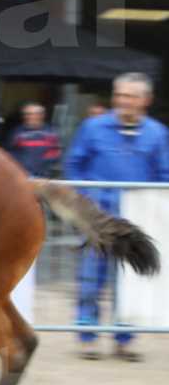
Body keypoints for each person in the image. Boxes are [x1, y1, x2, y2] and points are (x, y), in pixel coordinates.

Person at [65, 72, 169, 362]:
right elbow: (75, 164)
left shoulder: (158, 134)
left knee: (130, 282)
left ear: (145, 101)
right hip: (97, 219)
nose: (124, 101)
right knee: (90, 279)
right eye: (120, 95)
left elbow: (164, 175)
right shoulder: (92, 128)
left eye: (131, 96)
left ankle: (124, 339)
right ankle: (87, 337)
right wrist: (83, 200)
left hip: (136, 222)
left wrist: (156, 208)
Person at [6, 102, 62, 178]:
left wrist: (47, 169)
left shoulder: (51, 133)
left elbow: (56, 153)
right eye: (26, 114)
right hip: (23, 176)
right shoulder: (17, 132)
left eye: (33, 114)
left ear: (41, 115)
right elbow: (10, 154)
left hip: (44, 177)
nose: (29, 117)